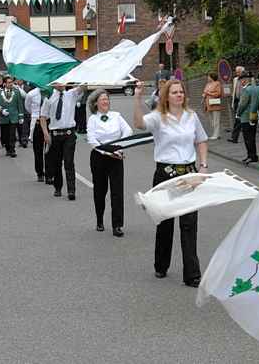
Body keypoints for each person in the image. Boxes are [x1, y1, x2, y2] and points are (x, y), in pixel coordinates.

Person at [133, 79, 208, 288]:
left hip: (188, 174)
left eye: (181, 92)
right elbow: (139, 124)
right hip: (166, 174)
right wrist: (137, 98)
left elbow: (201, 140)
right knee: (165, 222)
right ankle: (161, 265)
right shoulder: (158, 117)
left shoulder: (191, 117)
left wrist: (203, 165)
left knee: (189, 224)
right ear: (166, 96)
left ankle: (192, 274)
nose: (179, 95)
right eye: (174, 92)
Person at [87, 89, 133, 237]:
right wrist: (107, 151)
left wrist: (120, 146)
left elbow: (128, 131)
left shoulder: (116, 116)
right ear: (96, 103)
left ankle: (117, 225)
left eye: (107, 99)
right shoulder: (93, 119)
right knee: (100, 191)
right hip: (99, 155)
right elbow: (92, 140)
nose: (106, 102)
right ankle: (99, 219)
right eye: (102, 99)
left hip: (116, 155)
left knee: (117, 192)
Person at [40, 82, 86, 200]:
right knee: (57, 163)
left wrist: (83, 69)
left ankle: (71, 191)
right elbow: (43, 117)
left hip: (69, 134)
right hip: (55, 135)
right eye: (59, 82)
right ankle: (58, 187)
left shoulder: (71, 94)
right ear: (54, 84)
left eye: (64, 81)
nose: (62, 84)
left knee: (69, 162)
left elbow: (84, 86)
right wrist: (45, 133)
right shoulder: (49, 97)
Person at [25, 86, 52, 183]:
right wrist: (36, 115)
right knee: (38, 150)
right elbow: (27, 107)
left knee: (49, 149)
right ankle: (40, 172)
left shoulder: (51, 92)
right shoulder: (31, 94)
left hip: (48, 121)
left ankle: (49, 174)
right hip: (36, 122)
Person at [0, 76, 24, 158]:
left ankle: (12, 150)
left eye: (12, 82)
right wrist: (1, 110)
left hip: (14, 117)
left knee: (12, 134)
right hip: (4, 118)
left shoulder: (16, 92)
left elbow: (20, 105)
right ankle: (7, 149)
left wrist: (21, 117)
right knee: (5, 135)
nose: (11, 84)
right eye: (9, 82)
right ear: (4, 84)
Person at [237, 74, 257, 164]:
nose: (240, 82)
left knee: (248, 138)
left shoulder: (246, 90)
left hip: (246, 117)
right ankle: (253, 155)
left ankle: (251, 156)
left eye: (240, 81)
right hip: (253, 115)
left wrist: (238, 113)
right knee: (252, 137)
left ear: (244, 80)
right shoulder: (254, 88)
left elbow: (242, 104)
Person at [201, 72, 223, 140]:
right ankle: (215, 133)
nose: (208, 78)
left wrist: (208, 93)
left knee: (216, 120)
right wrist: (204, 96)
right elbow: (205, 92)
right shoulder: (207, 84)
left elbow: (218, 93)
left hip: (214, 103)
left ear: (212, 77)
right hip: (208, 104)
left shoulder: (217, 83)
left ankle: (216, 135)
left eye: (208, 76)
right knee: (211, 120)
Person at [228, 66, 245, 143]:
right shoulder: (235, 79)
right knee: (238, 119)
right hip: (237, 101)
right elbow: (234, 91)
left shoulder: (247, 79)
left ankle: (234, 137)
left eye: (238, 72)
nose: (237, 73)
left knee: (238, 120)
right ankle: (234, 137)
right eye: (236, 72)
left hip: (244, 101)